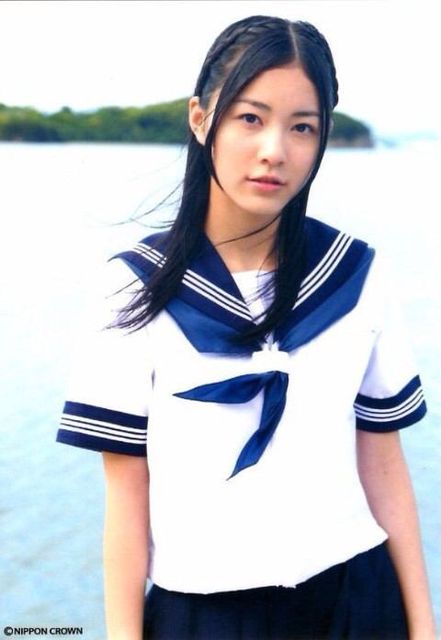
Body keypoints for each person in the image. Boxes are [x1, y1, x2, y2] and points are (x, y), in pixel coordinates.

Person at [56, 15, 437, 640]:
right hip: (204, 613)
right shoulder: (134, 288)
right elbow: (125, 498)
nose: (274, 151)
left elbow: (384, 463)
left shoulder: (356, 274)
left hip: (357, 602)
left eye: (302, 127)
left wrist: (423, 626)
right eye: (250, 118)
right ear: (201, 119)